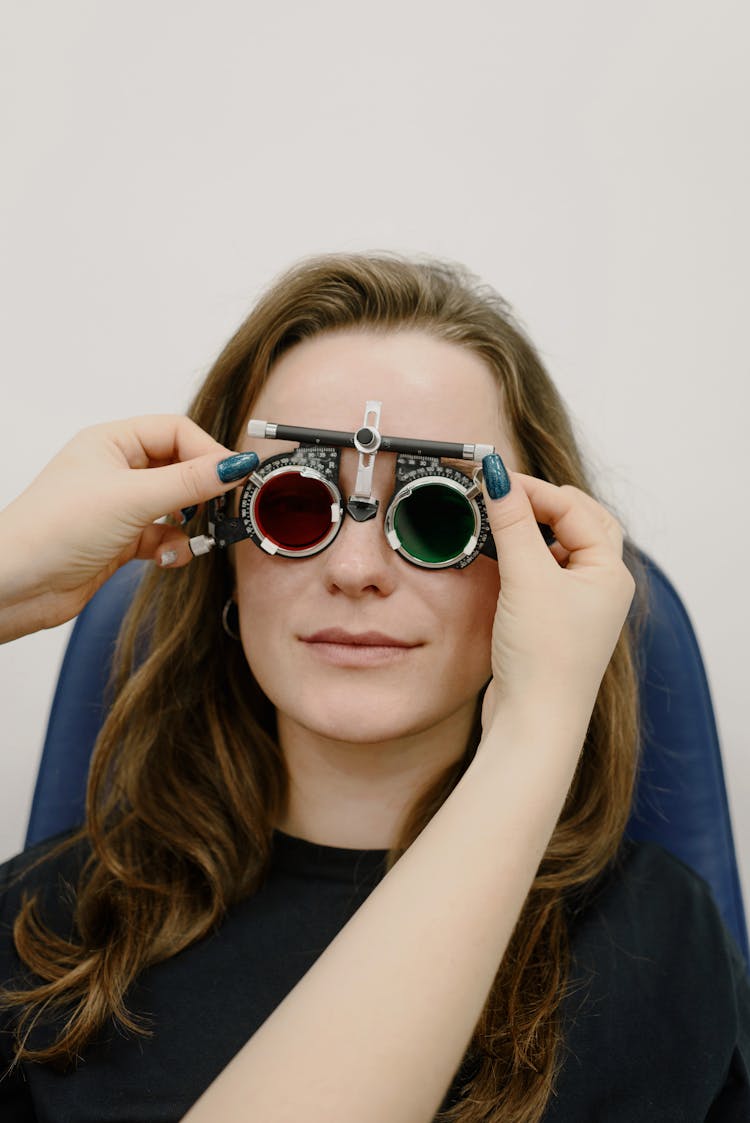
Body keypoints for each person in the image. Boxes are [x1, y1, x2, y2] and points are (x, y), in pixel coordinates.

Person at [0, 253, 747, 1123]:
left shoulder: (660, 941)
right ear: (222, 545)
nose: (356, 569)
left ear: (534, 552)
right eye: (293, 503)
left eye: (437, 515)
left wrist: (540, 724)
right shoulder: (39, 933)